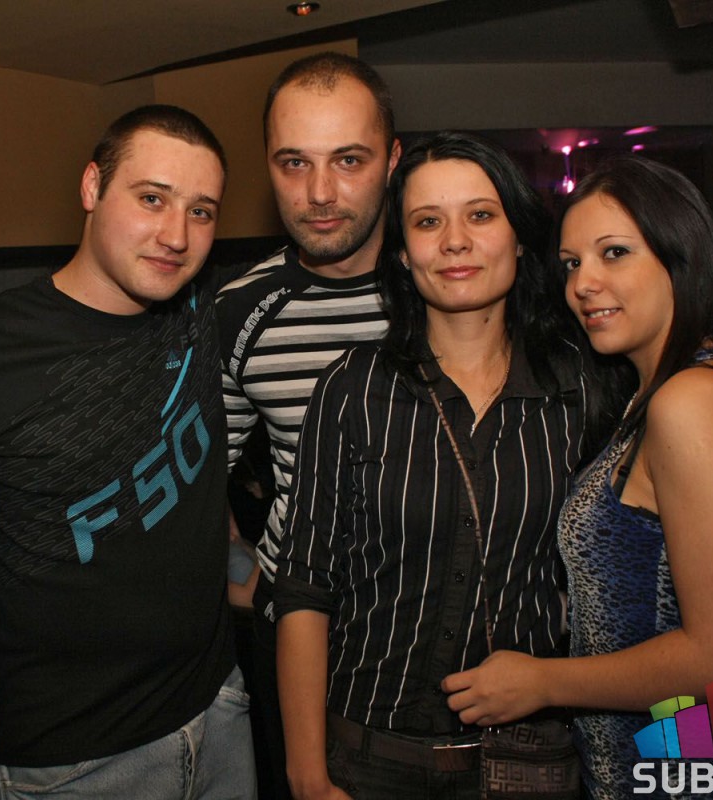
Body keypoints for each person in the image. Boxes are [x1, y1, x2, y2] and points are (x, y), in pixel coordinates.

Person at [274, 131, 617, 800]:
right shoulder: (353, 388)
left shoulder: (584, 388)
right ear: (403, 253)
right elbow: (305, 587)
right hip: (368, 762)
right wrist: (307, 773)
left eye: (480, 215)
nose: (455, 241)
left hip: (529, 760)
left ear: (519, 238)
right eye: (429, 222)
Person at [443, 156, 713, 798]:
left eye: (614, 253)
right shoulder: (709, 380)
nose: (584, 283)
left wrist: (541, 682)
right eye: (571, 263)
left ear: (680, 256)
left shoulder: (693, 400)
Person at [0, 105, 255, 798]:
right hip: (72, 762)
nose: (176, 235)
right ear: (92, 187)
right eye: (151, 199)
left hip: (219, 711)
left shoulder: (201, 312)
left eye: (201, 212)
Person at [214, 52, 400, 799]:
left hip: (443, 639)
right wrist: (251, 585)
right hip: (293, 641)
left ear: (392, 160)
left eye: (348, 160)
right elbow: (198, 477)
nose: (319, 193)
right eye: (294, 163)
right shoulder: (238, 310)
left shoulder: (450, 285)